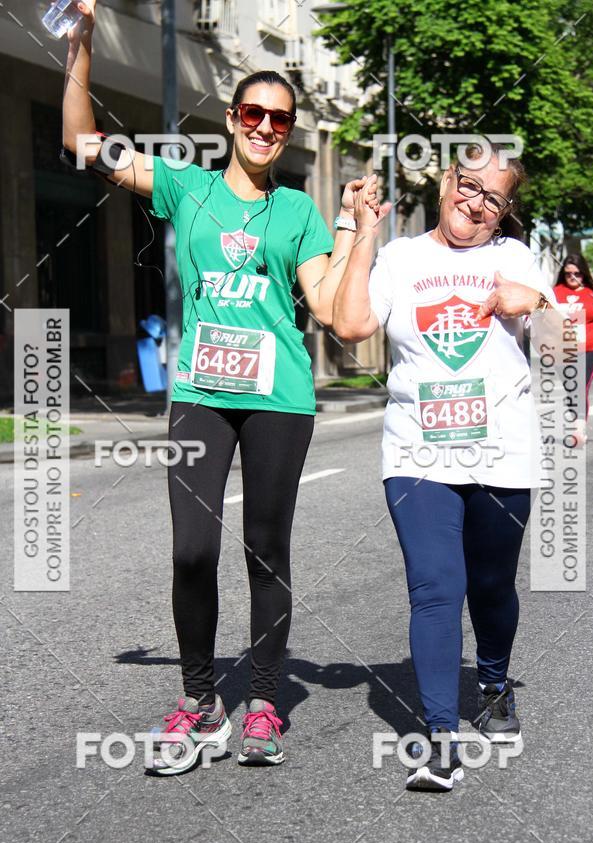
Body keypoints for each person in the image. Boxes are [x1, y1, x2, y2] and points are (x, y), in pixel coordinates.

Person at [63, 0, 367, 772]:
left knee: (266, 550)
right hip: (201, 389)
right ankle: (199, 701)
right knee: (192, 552)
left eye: (281, 120)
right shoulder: (186, 188)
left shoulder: (297, 209)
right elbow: (80, 143)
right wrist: (83, 45)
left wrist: (352, 229)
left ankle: (263, 701)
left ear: (288, 132)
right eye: (254, 113)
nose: (267, 127)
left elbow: (330, 310)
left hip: (278, 400)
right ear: (232, 117)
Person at [333, 146, 561, 791]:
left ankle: (491, 682)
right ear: (445, 184)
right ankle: (441, 737)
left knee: (491, 586)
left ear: (505, 211)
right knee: (435, 587)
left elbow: (562, 352)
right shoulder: (402, 257)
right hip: (417, 450)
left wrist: (537, 305)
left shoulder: (514, 259)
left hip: (503, 451)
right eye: (468, 185)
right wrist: (362, 235)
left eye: (494, 198)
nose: (476, 203)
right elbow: (351, 325)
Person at [554, 253, 593, 442]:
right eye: (568, 274)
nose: (573, 277)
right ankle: (577, 424)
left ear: (584, 273)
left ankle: (578, 430)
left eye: (578, 274)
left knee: (581, 386)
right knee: (571, 387)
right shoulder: (554, 292)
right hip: (562, 347)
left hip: (591, 345)